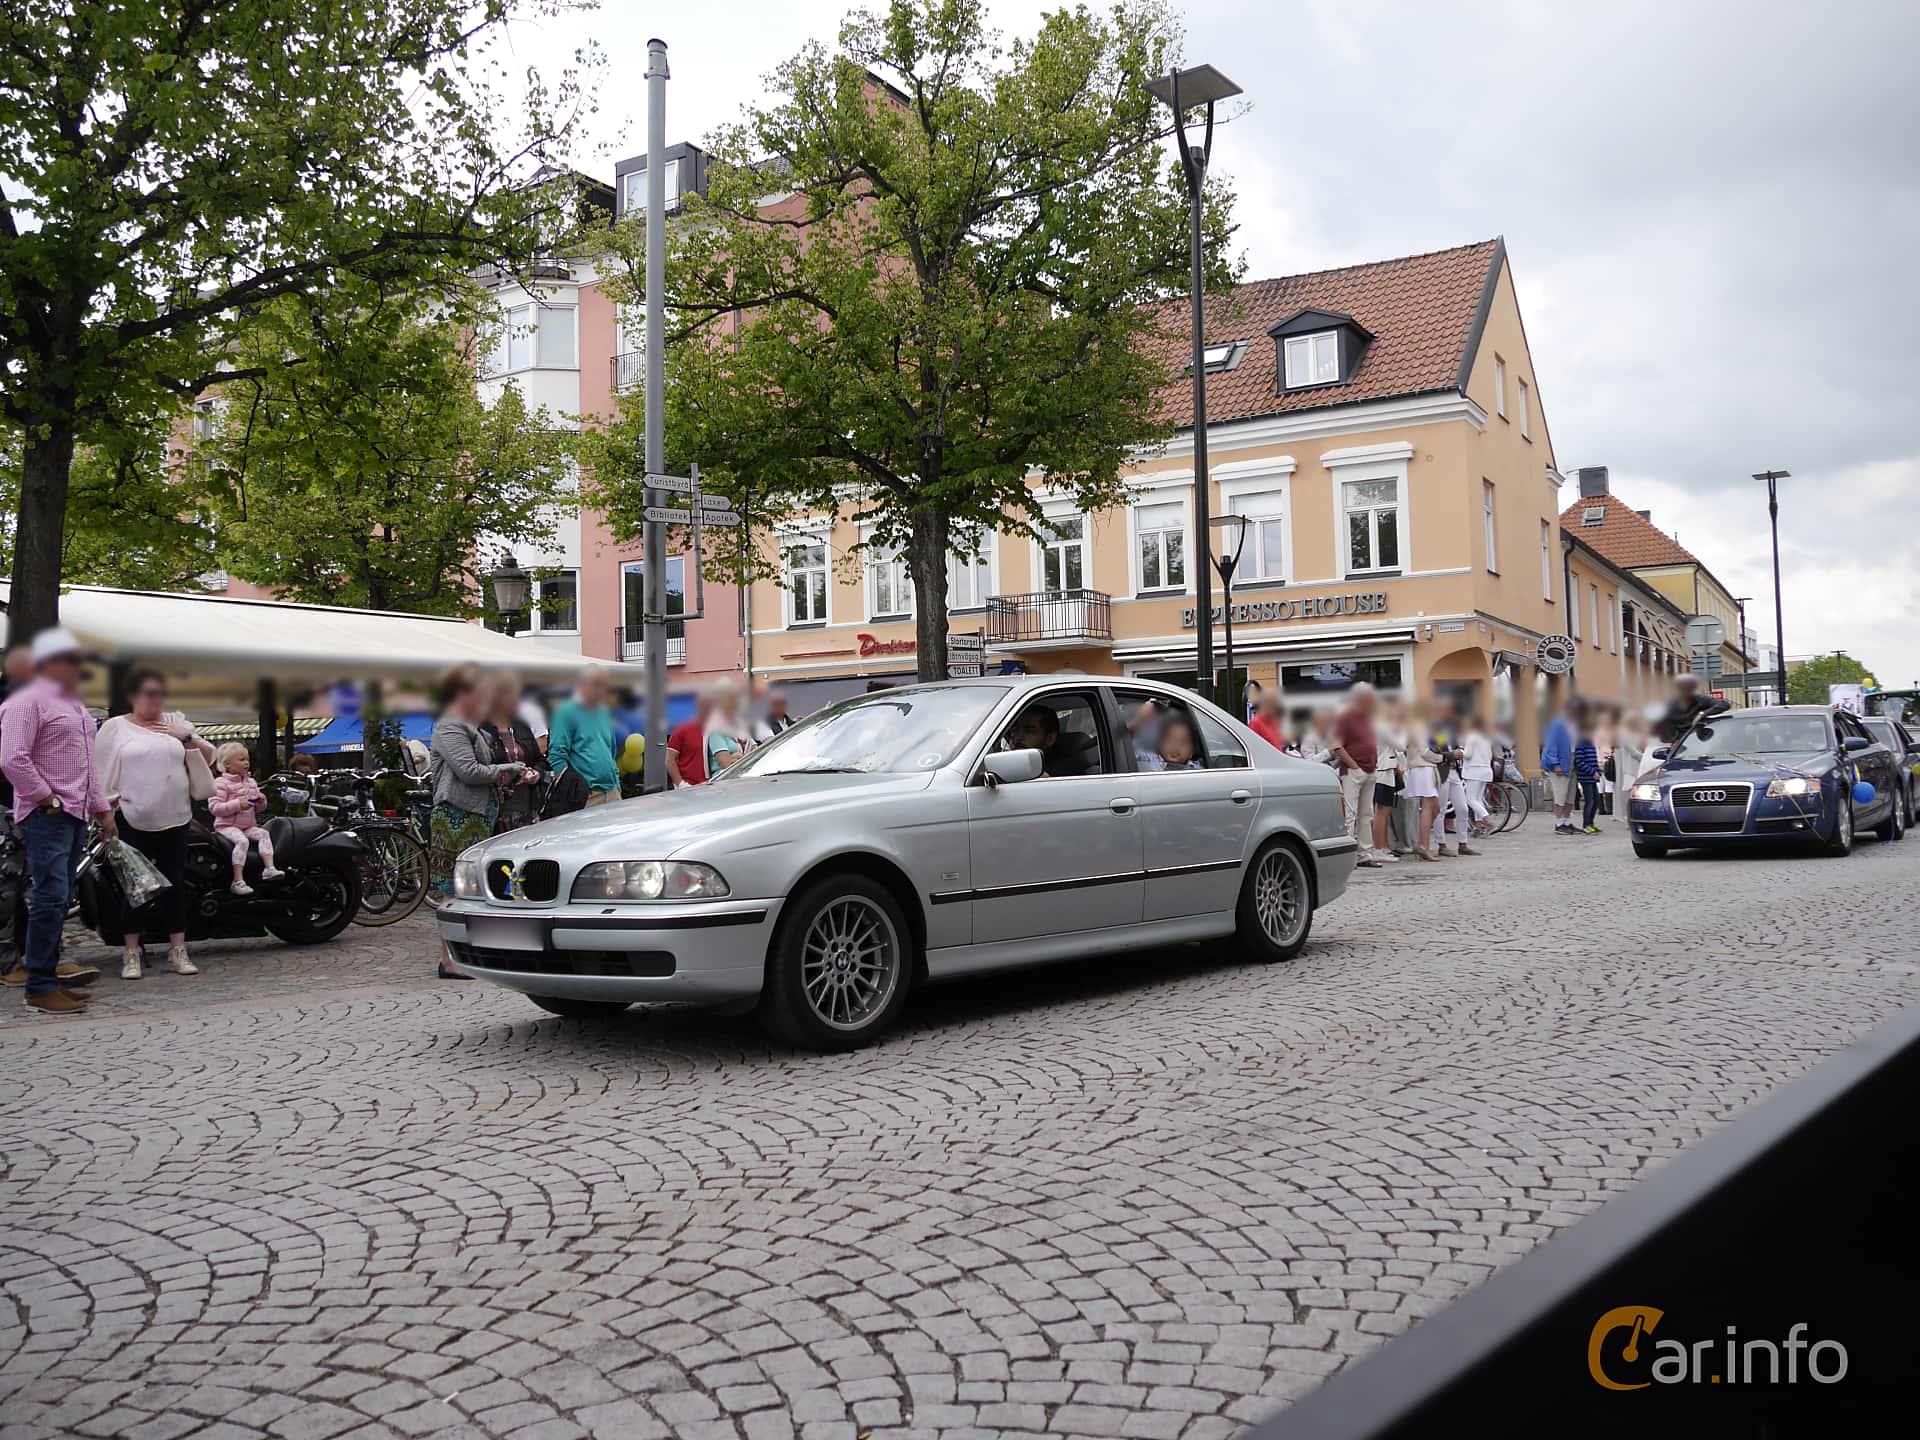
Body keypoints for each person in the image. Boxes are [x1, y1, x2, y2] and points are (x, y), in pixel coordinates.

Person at [0, 628, 116, 1015]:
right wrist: (45, 796)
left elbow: (87, 768)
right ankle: (39, 985)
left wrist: (102, 809)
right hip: (49, 814)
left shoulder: (75, 706)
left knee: (61, 898)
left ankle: (47, 979)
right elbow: (12, 758)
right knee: (49, 897)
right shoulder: (27, 702)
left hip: (74, 814)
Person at [95, 668, 216, 977]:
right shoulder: (115, 728)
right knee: (135, 886)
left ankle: (178, 950)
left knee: (175, 883)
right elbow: (102, 772)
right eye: (150, 694)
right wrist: (105, 813)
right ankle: (131, 953)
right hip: (132, 817)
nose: (156, 700)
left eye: (160, 694)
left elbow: (211, 756)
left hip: (175, 816)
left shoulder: (174, 722)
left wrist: (185, 737)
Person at [429, 666, 536, 976]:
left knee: (468, 889)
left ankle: (463, 957)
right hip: (456, 816)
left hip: (473, 815)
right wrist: (512, 768)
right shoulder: (450, 725)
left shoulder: (470, 726)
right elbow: (468, 771)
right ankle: (448, 961)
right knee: (453, 890)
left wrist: (511, 772)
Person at [481, 671, 549, 832]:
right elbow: (478, 766)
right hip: (494, 807)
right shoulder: (481, 728)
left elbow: (541, 759)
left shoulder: (520, 725)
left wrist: (537, 773)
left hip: (527, 805)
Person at [209, 743, 280, 895]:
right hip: (226, 826)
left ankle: (269, 868)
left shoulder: (251, 782)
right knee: (242, 841)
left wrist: (261, 801)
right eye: (241, 759)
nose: (246, 762)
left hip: (248, 825)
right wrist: (238, 804)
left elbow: (258, 809)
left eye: (247, 759)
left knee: (264, 834)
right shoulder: (220, 783)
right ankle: (238, 880)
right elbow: (215, 808)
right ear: (227, 764)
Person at [546, 666, 621, 807]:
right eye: (596, 685)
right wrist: (572, 791)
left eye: (603, 686)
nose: (601, 691)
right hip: (586, 795)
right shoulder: (565, 712)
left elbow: (611, 753)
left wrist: (617, 785)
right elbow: (557, 755)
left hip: (611, 792)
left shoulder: (605, 713)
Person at [1331, 684, 1382, 868]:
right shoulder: (1345, 717)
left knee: (1366, 814)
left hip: (1369, 769)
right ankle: (1349, 855)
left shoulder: (1368, 718)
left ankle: (1365, 853)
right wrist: (1354, 766)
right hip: (1354, 771)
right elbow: (1336, 745)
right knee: (1350, 815)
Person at [1427, 699, 1476, 857]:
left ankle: (1463, 843)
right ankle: (1442, 844)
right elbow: (1433, 752)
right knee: (1440, 809)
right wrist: (1451, 754)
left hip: (1454, 771)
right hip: (1441, 771)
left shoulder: (1450, 728)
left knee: (1462, 808)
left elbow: (1453, 746)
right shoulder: (1433, 728)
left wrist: (1459, 750)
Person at [1006, 702, 1092, 777]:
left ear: (1050, 739)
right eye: (1015, 730)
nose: (1018, 737)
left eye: (1029, 731)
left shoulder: (1060, 775)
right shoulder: (1011, 767)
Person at [1404, 700, 1442, 862]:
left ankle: (1421, 843)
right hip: (1422, 768)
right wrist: (1441, 759)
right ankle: (1423, 846)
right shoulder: (1419, 727)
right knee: (1429, 807)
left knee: (1434, 807)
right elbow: (1425, 751)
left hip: (1425, 769)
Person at [1541, 695, 1579, 834]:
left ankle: (1567, 822)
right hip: (1561, 762)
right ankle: (1559, 824)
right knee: (1560, 794)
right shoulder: (1557, 724)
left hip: (1572, 761)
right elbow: (1551, 745)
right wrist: (1555, 764)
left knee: (1570, 794)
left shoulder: (1575, 724)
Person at [1659, 673, 1730, 744]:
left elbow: (1724, 704)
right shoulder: (1669, 707)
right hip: (1683, 743)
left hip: (1705, 738)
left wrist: (1702, 714)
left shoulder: (1700, 699)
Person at [704, 679, 751, 777]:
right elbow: (725, 764)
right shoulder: (716, 729)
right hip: (725, 782)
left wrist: (740, 758)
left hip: (744, 777)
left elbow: (757, 753)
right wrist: (746, 758)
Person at [1460, 713, 1496, 838]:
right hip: (1486, 769)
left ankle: (1488, 820)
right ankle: (1478, 826)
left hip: (1474, 770)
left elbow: (1468, 754)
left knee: (1470, 799)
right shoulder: (1486, 737)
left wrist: (1461, 751)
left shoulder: (1472, 736)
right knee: (1478, 799)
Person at [666, 692, 710, 788]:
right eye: (704, 705)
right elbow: (670, 759)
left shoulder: (718, 730)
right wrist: (681, 783)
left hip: (715, 785)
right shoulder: (682, 729)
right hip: (690, 787)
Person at [1136, 711, 1203, 771]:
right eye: (1170, 740)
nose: (1175, 746)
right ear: (1161, 743)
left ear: (1191, 753)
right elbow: (1130, 752)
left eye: (1182, 742)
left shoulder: (1196, 770)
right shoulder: (1151, 760)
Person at [1574, 719, 1603, 835]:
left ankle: (1591, 823)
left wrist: (1598, 771)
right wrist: (1592, 772)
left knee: (1596, 801)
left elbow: (1594, 761)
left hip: (1592, 777)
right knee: (1589, 801)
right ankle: (1586, 825)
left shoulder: (1591, 743)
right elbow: (1579, 762)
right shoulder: (1581, 743)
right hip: (1586, 778)